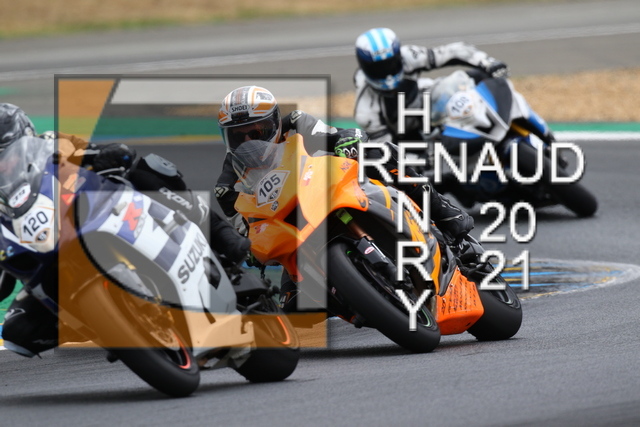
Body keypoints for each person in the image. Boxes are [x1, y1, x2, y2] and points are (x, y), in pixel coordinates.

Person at [0, 102, 250, 357]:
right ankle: (106, 322)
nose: (3, 165)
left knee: (148, 169)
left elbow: (104, 152)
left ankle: (220, 234)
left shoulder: (52, 144)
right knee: (17, 333)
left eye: (6, 154)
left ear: (25, 138)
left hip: (95, 217)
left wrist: (108, 154)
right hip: (51, 260)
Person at [215, 85, 474, 312]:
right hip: (296, 233)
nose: (248, 142)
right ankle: (356, 299)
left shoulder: (296, 123)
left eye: (256, 132)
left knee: (380, 153)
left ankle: (443, 211)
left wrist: (347, 141)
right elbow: (246, 230)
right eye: (238, 136)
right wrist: (251, 249)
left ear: (274, 123)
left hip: (333, 192)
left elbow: (342, 134)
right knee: (292, 308)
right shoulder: (227, 186)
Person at [353, 27, 511, 144]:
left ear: (398, 57)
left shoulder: (409, 56)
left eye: (390, 64)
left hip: (428, 102)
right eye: (379, 68)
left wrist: (487, 63)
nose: (387, 74)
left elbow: (452, 52)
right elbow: (386, 150)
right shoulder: (365, 111)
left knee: (479, 76)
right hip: (409, 138)